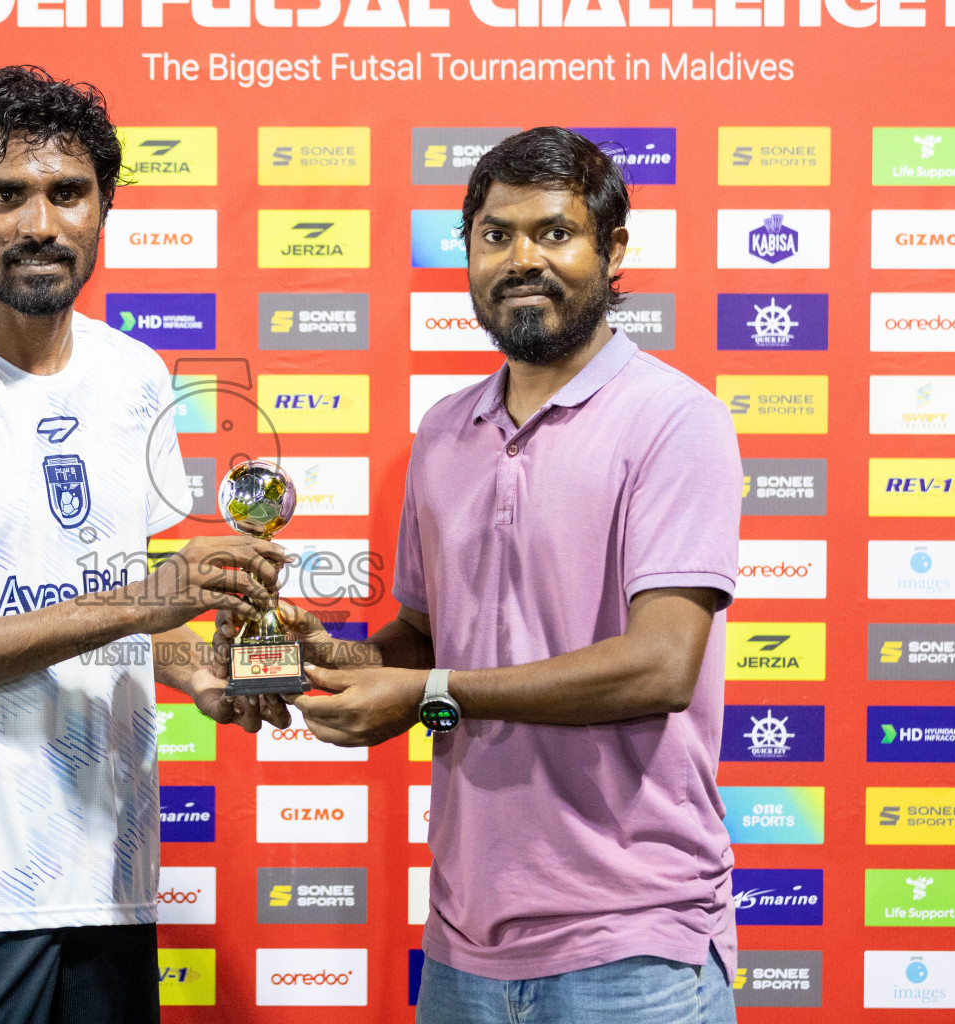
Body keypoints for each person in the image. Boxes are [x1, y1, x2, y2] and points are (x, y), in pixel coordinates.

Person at [0, 65, 288, 1024]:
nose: (40, 223)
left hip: (111, 884)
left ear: (103, 206)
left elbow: (119, 621)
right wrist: (143, 603)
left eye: (67, 194)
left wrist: (207, 674)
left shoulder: (136, 377)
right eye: (6, 196)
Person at [280, 127, 742, 1022]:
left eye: (554, 233)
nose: (522, 259)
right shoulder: (445, 431)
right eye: (496, 236)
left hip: (633, 942)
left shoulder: (675, 420)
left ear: (612, 250)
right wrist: (331, 659)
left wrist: (429, 692)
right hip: (462, 944)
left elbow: (660, 665)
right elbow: (423, 637)